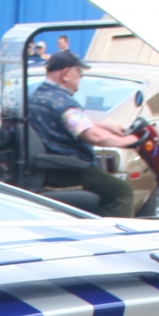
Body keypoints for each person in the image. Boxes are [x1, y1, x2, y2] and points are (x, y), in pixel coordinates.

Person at [28, 52, 138, 217]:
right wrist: (129, 141)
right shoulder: (63, 102)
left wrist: (109, 127)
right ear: (66, 74)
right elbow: (93, 136)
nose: (80, 76)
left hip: (47, 168)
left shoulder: (39, 95)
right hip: (69, 170)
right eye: (79, 71)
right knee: (121, 191)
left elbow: (71, 121)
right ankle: (113, 236)